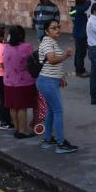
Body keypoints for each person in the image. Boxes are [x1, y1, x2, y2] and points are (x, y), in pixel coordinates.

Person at [36, 20, 77, 153]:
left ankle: (48, 139)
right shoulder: (48, 42)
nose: (57, 30)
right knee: (58, 111)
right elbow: (52, 60)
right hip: (48, 82)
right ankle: (61, 143)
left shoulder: (51, 42)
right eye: (53, 28)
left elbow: (52, 63)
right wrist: (65, 55)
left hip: (48, 81)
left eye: (58, 27)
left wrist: (61, 77)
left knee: (51, 110)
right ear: (47, 31)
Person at [3, 26, 37, 139]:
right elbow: (32, 62)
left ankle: (17, 128)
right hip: (23, 82)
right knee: (22, 107)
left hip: (8, 81)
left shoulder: (6, 47)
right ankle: (23, 131)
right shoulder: (26, 47)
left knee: (13, 106)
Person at [69, 0, 91, 77]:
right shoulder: (79, 9)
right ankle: (80, 70)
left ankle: (78, 68)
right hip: (81, 34)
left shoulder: (73, 10)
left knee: (78, 52)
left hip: (76, 33)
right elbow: (86, 6)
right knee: (82, 53)